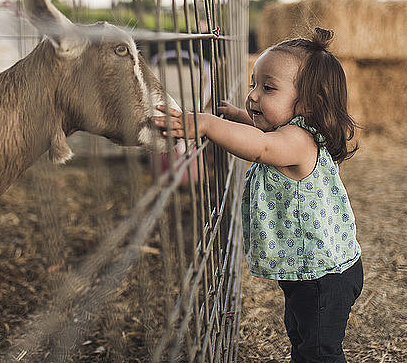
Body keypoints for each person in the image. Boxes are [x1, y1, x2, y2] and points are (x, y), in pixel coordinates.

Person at [153, 27, 363, 363]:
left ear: (307, 104)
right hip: (312, 271)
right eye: (254, 83)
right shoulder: (292, 131)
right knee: (302, 333)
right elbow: (264, 136)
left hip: (325, 278)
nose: (252, 96)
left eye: (267, 88)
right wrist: (239, 119)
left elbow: (263, 146)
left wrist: (207, 124)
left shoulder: (297, 141)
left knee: (319, 350)